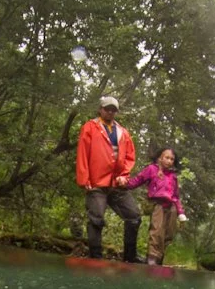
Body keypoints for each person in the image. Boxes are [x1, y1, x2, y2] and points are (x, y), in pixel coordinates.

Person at [75, 96, 142, 262]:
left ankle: (130, 258)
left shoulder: (123, 132)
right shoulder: (90, 127)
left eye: (113, 110)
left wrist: (124, 175)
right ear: (100, 109)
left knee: (134, 217)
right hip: (96, 182)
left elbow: (129, 156)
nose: (110, 112)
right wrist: (84, 179)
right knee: (96, 218)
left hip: (116, 184)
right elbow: (82, 153)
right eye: (107, 109)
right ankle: (95, 258)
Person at [118, 146, 187, 266]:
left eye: (172, 159)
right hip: (157, 205)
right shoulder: (151, 169)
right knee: (156, 232)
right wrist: (124, 183)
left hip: (171, 208)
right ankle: (152, 260)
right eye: (167, 158)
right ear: (160, 158)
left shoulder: (173, 176)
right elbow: (137, 181)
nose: (169, 161)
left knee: (168, 234)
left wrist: (180, 212)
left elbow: (176, 196)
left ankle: (159, 260)